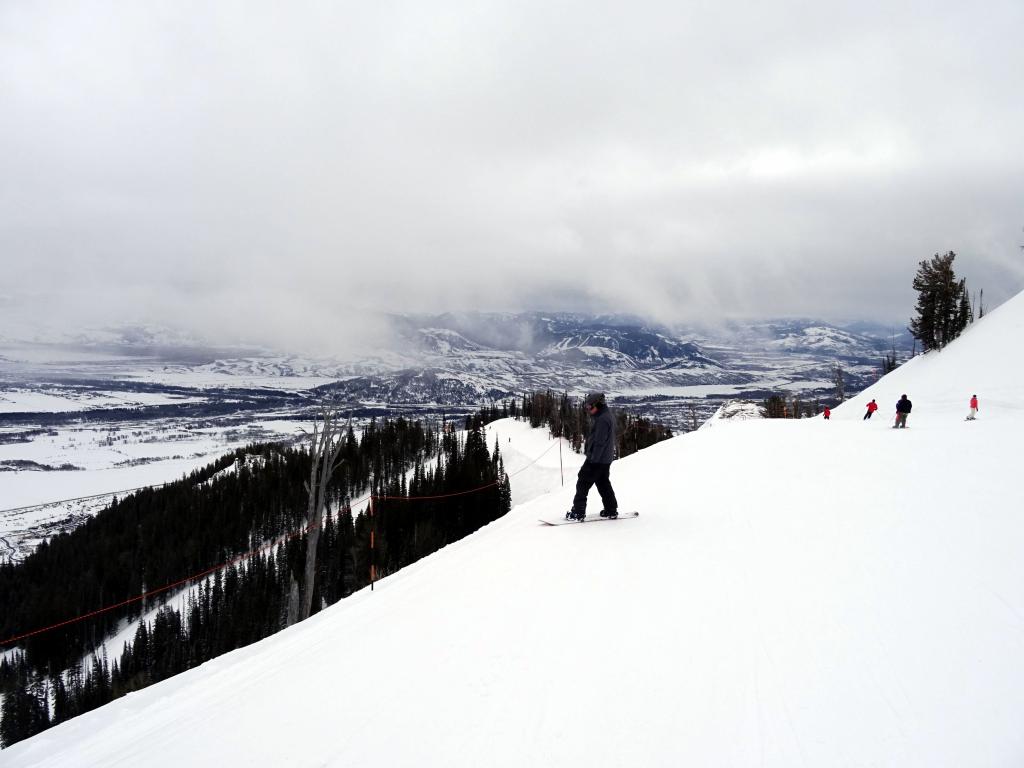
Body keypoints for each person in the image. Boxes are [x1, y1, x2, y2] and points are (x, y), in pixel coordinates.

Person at [566, 392, 618, 520]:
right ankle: (611, 510)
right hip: (605, 459)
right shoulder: (604, 416)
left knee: (583, 482)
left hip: (597, 459)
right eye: (586, 407)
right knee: (603, 483)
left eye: (590, 407)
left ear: (598, 405)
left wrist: (592, 460)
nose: (588, 410)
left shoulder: (602, 420)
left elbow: (599, 442)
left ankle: (578, 512)